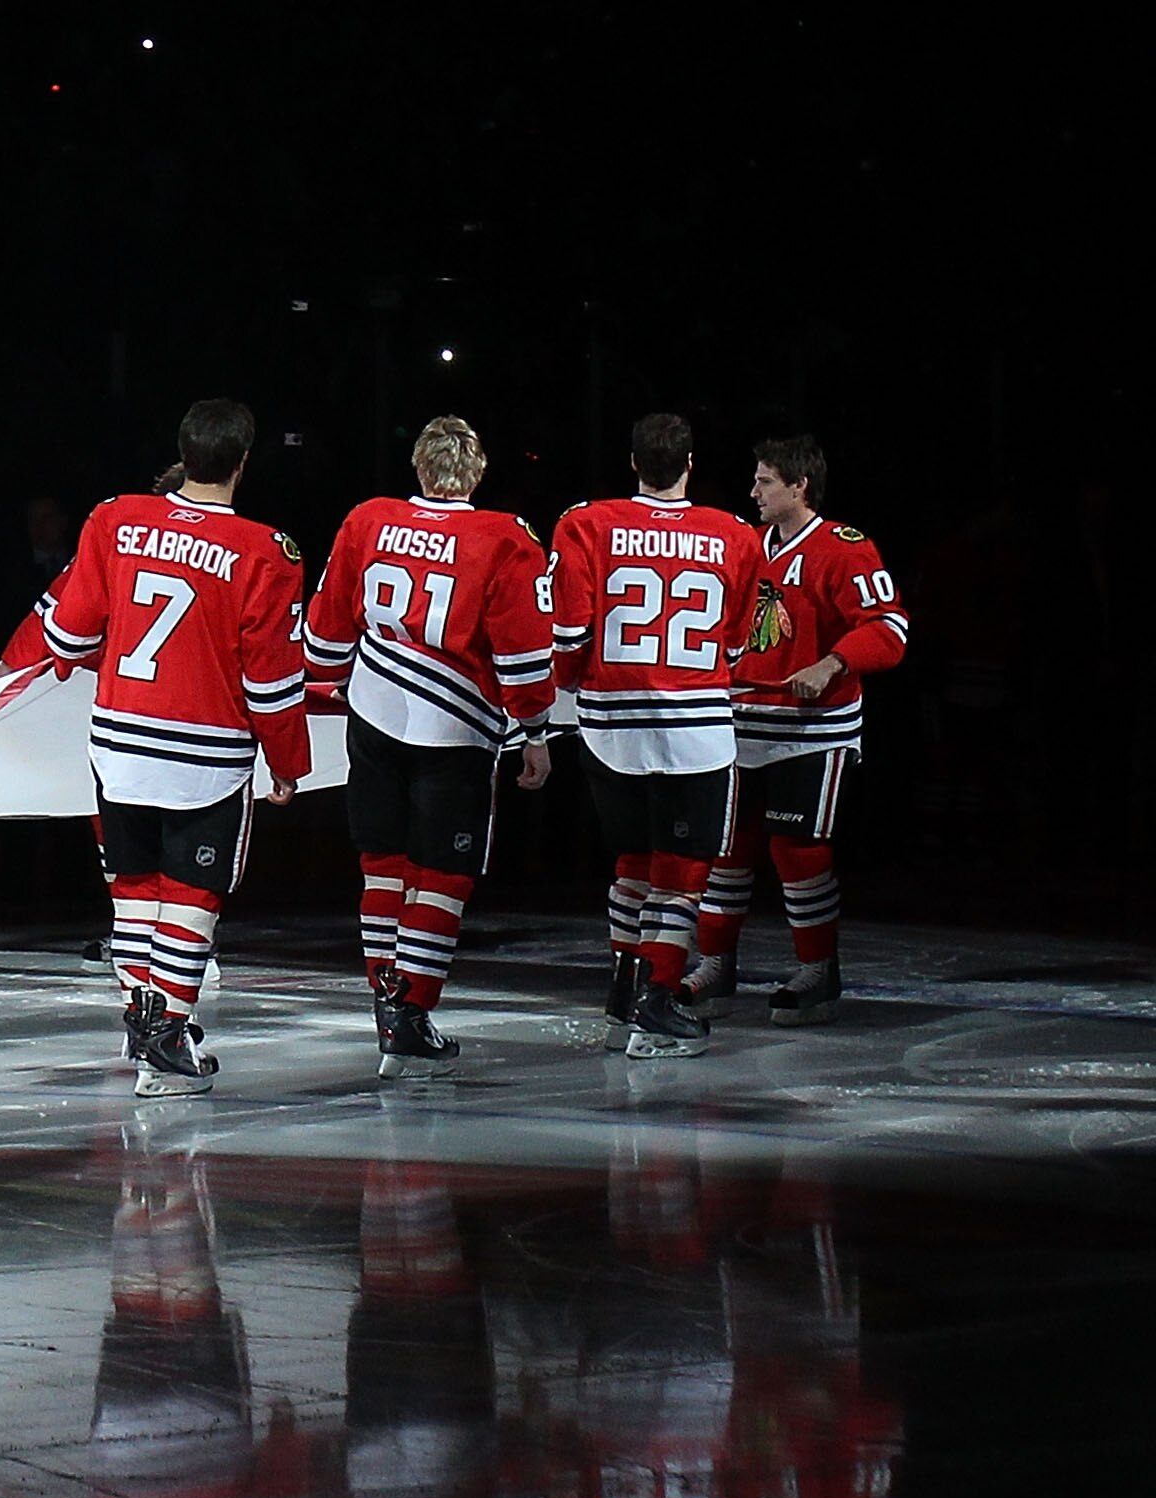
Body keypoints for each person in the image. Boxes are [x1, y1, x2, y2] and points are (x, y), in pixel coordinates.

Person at [35, 400, 309, 1096]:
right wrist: (289, 761)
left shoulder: (115, 518)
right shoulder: (265, 551)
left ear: (183, 454)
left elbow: (65, 639)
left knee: (133, 895)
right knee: (190, 897)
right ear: (243, 462)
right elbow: (270, 681)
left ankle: (145, 1022)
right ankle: (168, 1040)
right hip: (205, 754)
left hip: (120, 742)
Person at [303, 416, 557, 1077]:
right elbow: (524, 652)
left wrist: (326, 685)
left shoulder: (368, 519)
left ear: (420, 466)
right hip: (456, 728)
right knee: (443, 874)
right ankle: (410, 1015)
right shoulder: (506, 537)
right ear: (475, 472)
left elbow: (327, 625)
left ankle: (389, 1005)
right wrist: (534, 730)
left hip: (375, 712)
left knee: (382, 866)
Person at [547, 413, 765, 1058]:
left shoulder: (586, 522)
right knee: (681, 873)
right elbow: (734, 636)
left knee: (634, 859)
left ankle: (625, 982)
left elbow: (569, 629)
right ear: (690, 462)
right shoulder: (733, 534)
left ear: (634, 461)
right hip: (693, 726)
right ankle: (658, 998)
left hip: (609, 724)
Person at [691, 434, 910, 1025]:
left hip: (813, 732)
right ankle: (715, 964)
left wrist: (833, 662)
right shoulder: (745, 546)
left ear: (799, 486)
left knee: (798, 851)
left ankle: (818, 968)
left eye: (764, 482)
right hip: (739, 725)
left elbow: (890, 630)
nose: (753, 492)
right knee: (726, 849)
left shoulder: (846, 548)